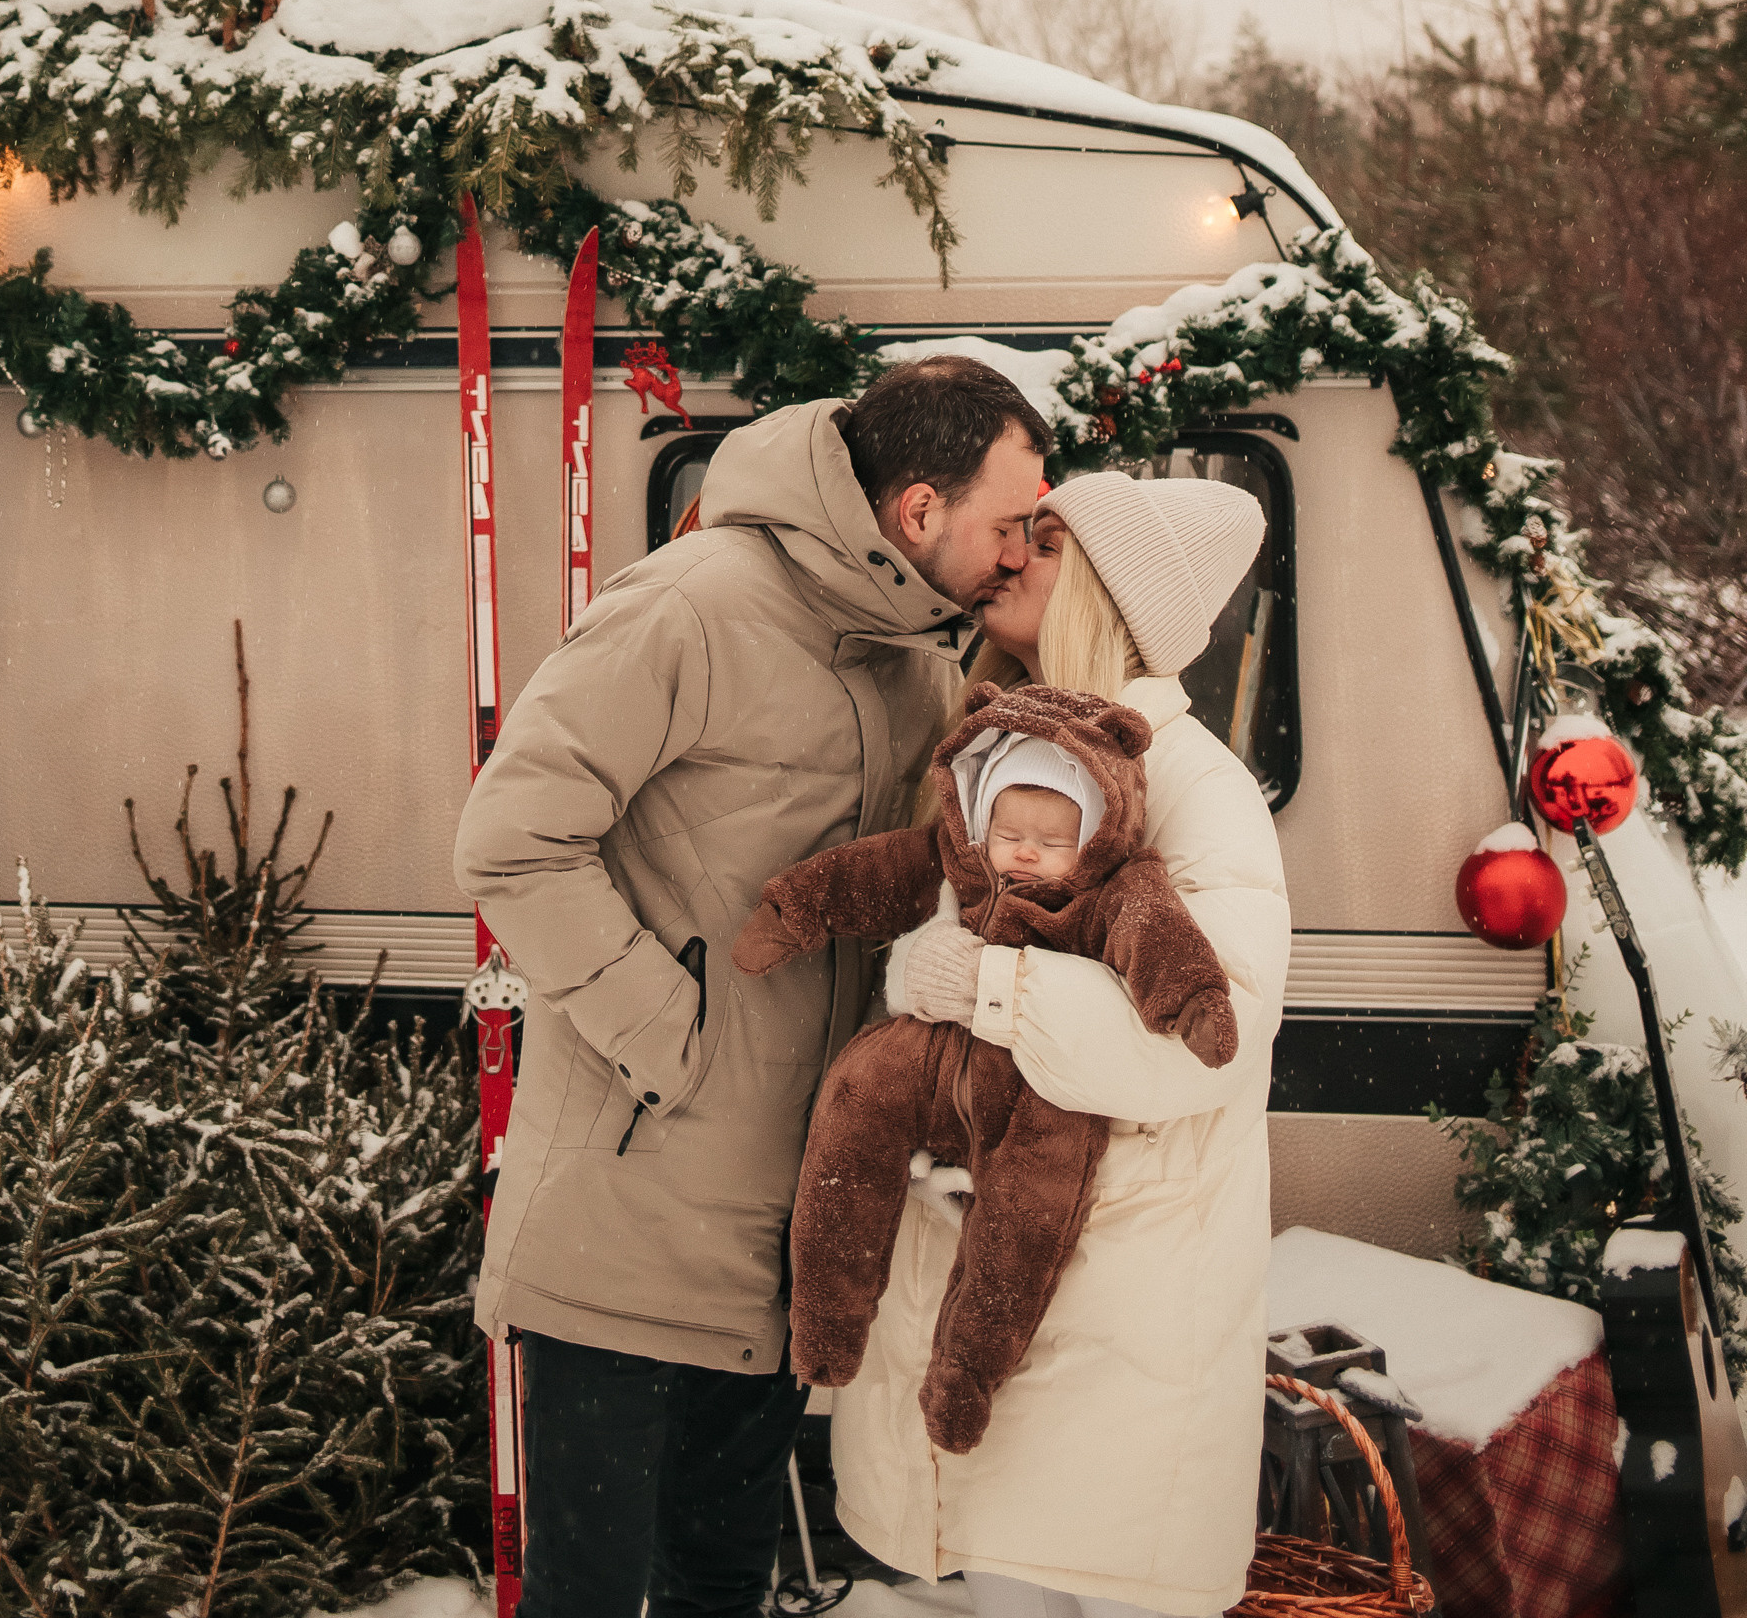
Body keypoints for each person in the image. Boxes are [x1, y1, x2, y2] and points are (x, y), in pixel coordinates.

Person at [452, 354, 1050, 1618]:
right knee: (591, 1600)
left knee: (722, 1587)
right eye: (1008, 523)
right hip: (630, 1213)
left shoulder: (910, 662)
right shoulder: (690, 607)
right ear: (919, 512)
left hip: (785, 1233)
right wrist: (671, 1041)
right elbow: (512, 837)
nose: (1018, 550)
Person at [827, 468, 1290, 1618]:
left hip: (1125, 1321)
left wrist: (986, 990)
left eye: (1044, 545)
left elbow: (1203, 1039)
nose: (1009, 558)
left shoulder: (1192, 786)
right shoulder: (1005, 756)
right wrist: (929, 977)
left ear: (1104, 593)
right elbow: (945, 958)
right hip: (1015, 1307)